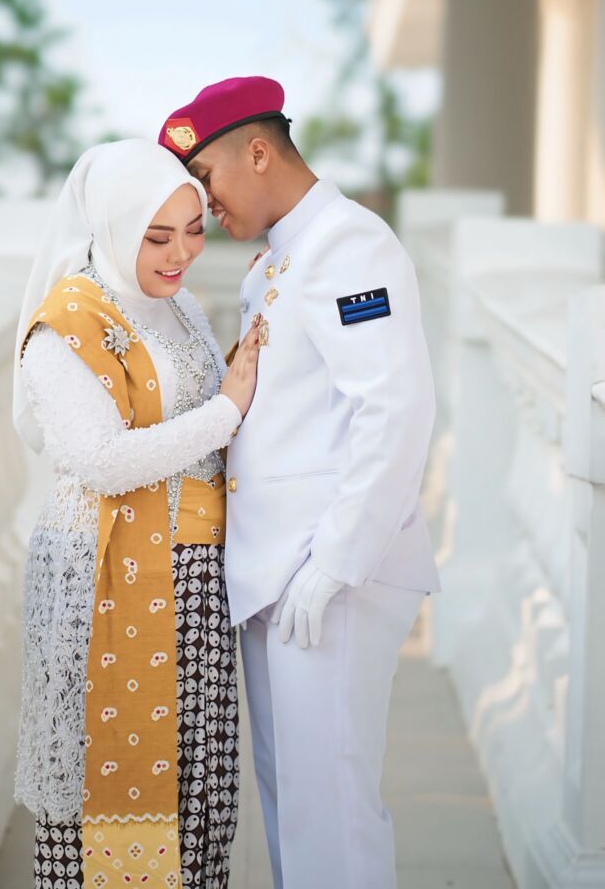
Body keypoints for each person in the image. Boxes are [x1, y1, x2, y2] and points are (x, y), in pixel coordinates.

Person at [159, 77, 441, 889]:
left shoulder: (349, 245)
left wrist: (338, 562)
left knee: (333, 814)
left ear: (258, 152)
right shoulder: (277, 261)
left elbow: (394, 410)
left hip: (328, 573)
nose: (204, 200)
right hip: (277, 573)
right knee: (296, 807)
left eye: (206, 175)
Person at [11, 138, 261, 889]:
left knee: (197, 798)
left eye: (193, 230)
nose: (181, 253)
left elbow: (206, 405)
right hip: (107, 581)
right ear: (114, 228)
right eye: (157, 237)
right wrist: (226, 411)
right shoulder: (68, 324)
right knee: (104, 795)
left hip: (193, 579)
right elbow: (99, 459)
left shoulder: (177, 304)